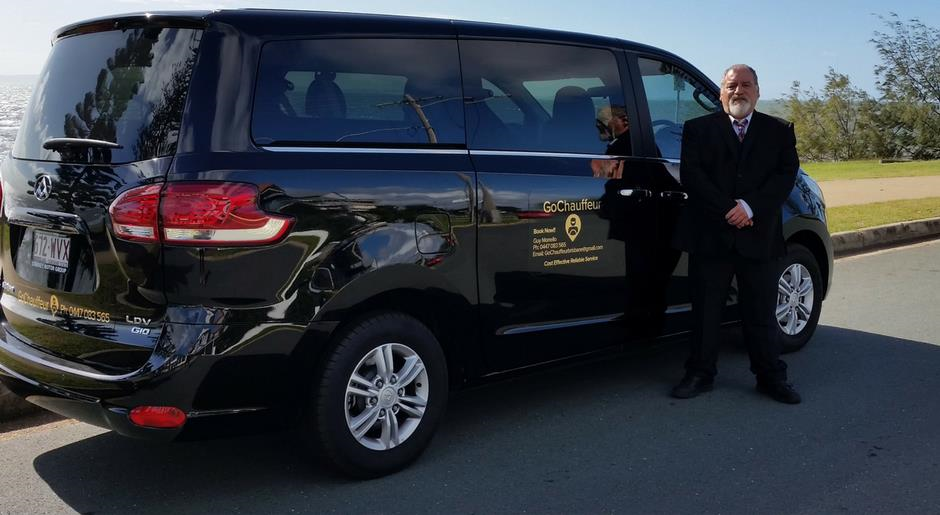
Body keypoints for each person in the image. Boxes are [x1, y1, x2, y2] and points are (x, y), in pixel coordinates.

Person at [671, 64, 801, 404]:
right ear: (720, 93)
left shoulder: (779, 130)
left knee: (761, 313)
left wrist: (750, 207)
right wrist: (729, 209)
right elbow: (693, 176)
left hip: (759, 237)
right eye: (731, 86)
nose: (738, 91)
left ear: (757, 91)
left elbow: (785, 176)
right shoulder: (698, 129)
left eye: (745, 85)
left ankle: (771, 377)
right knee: (705, 313)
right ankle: (700, 374)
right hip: (710, 236)